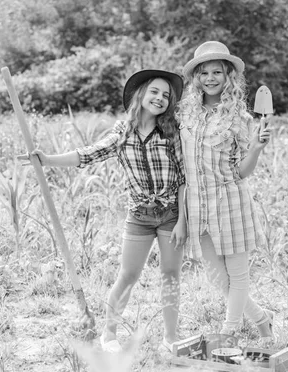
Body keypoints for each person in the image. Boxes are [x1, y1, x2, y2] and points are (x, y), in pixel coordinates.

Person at [18, 70, 187, 353]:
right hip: (140, 216)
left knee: (171, 275)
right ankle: (109, 335)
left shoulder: (173, 132)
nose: (160, 98)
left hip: (171, 213)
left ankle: (170, 338)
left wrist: (183, 220)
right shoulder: (123, 133)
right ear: (141, 94)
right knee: (128, 275)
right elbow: (87, 154)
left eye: (166, 95)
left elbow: (184, 180)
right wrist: (46, 159)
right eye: (155, 91)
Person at [176, 41, 275, 340]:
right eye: (203, 72)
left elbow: (242, 172)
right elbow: (183, 168)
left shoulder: (239, 119)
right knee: (217, 277)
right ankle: (261, 318)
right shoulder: (186, 116)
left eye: (216, 71)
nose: (210, 78)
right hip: (198, 206)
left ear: (227, 75)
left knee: (237, 274)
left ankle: (229, 332)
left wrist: (256, 147)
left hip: (230, 202)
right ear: (196, 78)